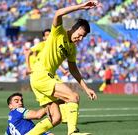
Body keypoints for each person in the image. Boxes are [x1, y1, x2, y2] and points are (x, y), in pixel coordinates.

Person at [26, 1, 100, 135]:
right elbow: (58, 13)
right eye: (80, 33)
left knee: (56, 118)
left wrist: (86, 87)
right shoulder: (58, 32)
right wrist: (81, 6)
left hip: (42, 79)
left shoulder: (72, 48)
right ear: (74, 28)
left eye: (83, 36)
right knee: (73, 97)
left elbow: (73, 69)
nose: (80, 37)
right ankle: (72, 132)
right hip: (41, 75)